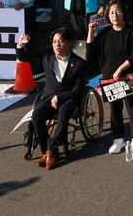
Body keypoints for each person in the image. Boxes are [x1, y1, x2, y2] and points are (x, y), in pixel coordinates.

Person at [17, 29, 88, 170]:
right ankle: (47, 152)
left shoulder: (79, 63)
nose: (57, 45)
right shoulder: (47, 56)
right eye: (55, 42)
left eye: (61, 41)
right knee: (37, 114)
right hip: (48, 98)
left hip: (68, 98)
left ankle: (52, 146)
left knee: (64, 111)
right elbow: (23, 57)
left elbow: (77, 90)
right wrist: (21, 45)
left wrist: (59, 97)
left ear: (69, 43)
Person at [87, 0, 133, 156]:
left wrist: (120, 69)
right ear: (107, 16)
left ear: (123, 13)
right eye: (111, 12)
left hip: (128, 75)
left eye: (118, 11)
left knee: (132, 106)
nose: (115, 15)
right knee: (114, 108)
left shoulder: (131, 31)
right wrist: (91, 32)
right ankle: (118, 138)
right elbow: (91, 52)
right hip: (109, 77)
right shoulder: (105, 33)